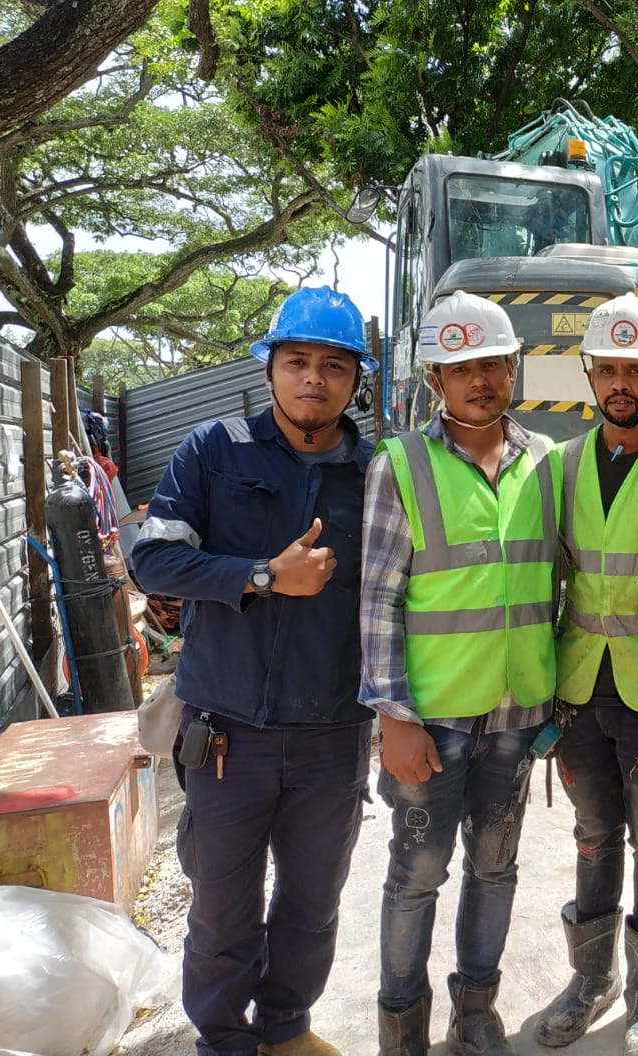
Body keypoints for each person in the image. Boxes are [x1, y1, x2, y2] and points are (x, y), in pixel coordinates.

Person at [133, 287, 379, 1056]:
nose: (315, 379)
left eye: (334, 366)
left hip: (333, 734)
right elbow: (151, 558)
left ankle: (286, 1027)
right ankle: (221, 1038)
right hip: (226, 732)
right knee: (222, 906)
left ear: (355, 380)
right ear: (270, 368)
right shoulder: (212, 450)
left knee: (312, 902)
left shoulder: (376, 473)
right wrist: (261, 576)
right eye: (298, 361)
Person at [360, 290, 561, 1056]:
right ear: (434, 381)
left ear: (514, 370)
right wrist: (393, 716)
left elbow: (560, 583)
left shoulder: (544, 463)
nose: (479, 380)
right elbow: (378, 598)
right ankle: (401, 1028)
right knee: (416, 877)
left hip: (516, 720)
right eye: (461, 368)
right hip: (431, 722)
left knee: (494, 870)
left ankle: (475, 1014)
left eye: (492, 364)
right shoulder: (401, 465)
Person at [535, 294, 638, 1055]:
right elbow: (544, 585)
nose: (621, 382)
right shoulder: (560, 467)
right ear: (589, 375)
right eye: (609, 369)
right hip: (578, 687)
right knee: (595, 836)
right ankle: (590, 978)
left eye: (637, 368)